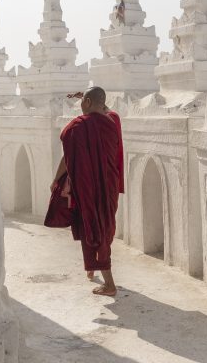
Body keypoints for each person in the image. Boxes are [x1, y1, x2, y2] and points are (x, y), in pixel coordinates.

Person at [50, 87, 124, 296]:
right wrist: (90, 98)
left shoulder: (77, 128)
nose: (80, 107)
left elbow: (67, 156)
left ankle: (109, 284)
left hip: (89, 188)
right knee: (103, 227)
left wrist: (56, 180)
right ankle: (93, 265)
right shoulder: (112, 122)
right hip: (109, 186)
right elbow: (103, 108)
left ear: (89, 103)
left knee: (94, 227)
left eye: (83, 103)